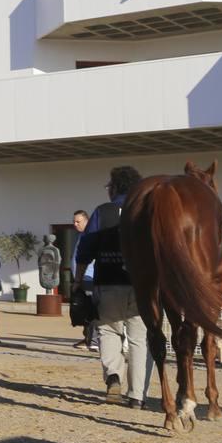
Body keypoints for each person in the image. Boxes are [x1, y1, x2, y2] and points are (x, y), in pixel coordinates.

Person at [75, 165, 153, 409]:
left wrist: (78, 280)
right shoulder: (148, 210)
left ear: (116, 186)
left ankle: (113, 376)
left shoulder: (102, 211)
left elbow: (85, 250)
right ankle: (138, 396)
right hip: (141, 285)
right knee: (140, 340)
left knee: (108, 332)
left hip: (107, 281)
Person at [70, 209, 98, 351]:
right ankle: (87, 338)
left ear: (86, 221)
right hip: (80, 279)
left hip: (88, 278)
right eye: (74, 221)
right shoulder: (80, 236)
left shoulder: (90, 235)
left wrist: (80, 279)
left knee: (92, 310)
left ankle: (93, 340)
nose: (75, 224)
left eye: (78, 221)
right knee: (83, 311)